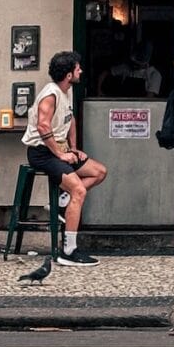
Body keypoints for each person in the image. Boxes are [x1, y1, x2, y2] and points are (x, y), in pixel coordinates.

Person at [20, 51, 108, 266]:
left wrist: (74, 148)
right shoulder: (51, 94)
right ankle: (68, 251)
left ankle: (61, 202)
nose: (81, 71)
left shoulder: (66, 91)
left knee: (99, 172)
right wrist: (59, 153)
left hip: (60, 149)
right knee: (78, 190)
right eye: (78, 68)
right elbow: (43, 125)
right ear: (69, 74)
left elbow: (71, 120)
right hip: (42, 152)